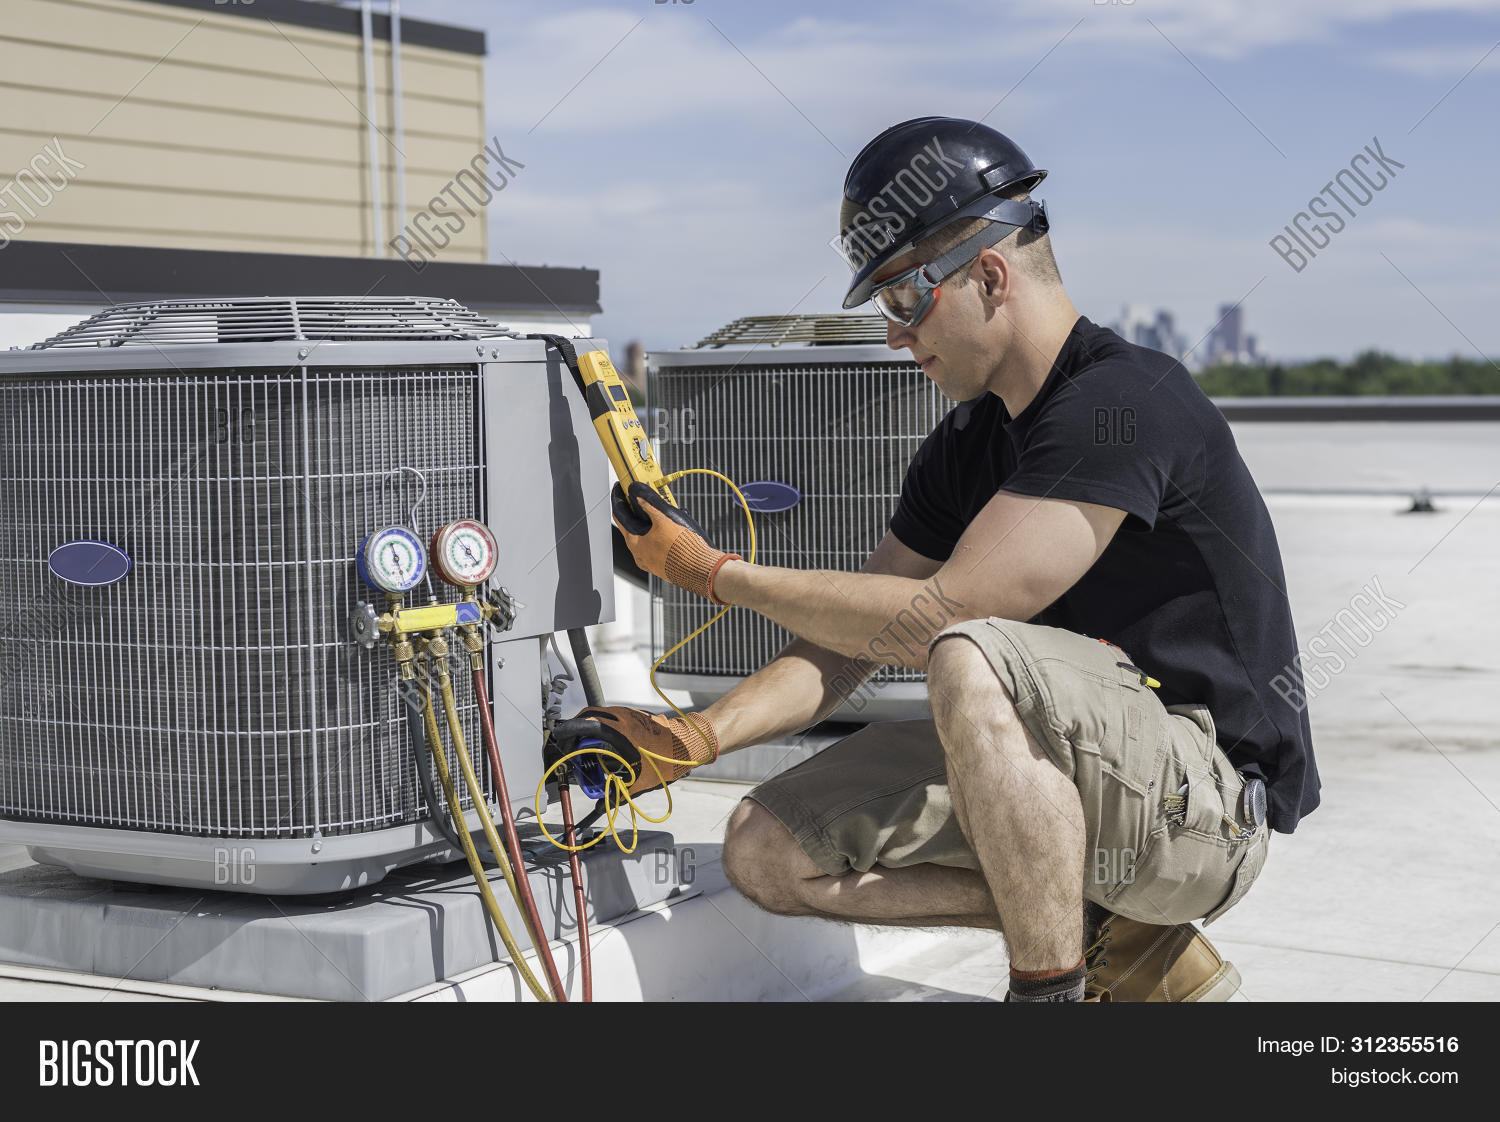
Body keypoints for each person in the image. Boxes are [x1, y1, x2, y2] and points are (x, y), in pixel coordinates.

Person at [555, 116, 1319, 1003]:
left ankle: (1048, 998)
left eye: (901, 300)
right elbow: (850, 643)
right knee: (766, 848)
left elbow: (942, 618)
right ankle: (1116, 937)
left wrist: (715, 574)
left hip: (1206, 808)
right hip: (1086, 778)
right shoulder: (966, 443)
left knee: (967, 653)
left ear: (988, 275)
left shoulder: (1123, 404)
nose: (893, 336)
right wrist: (698, 736)